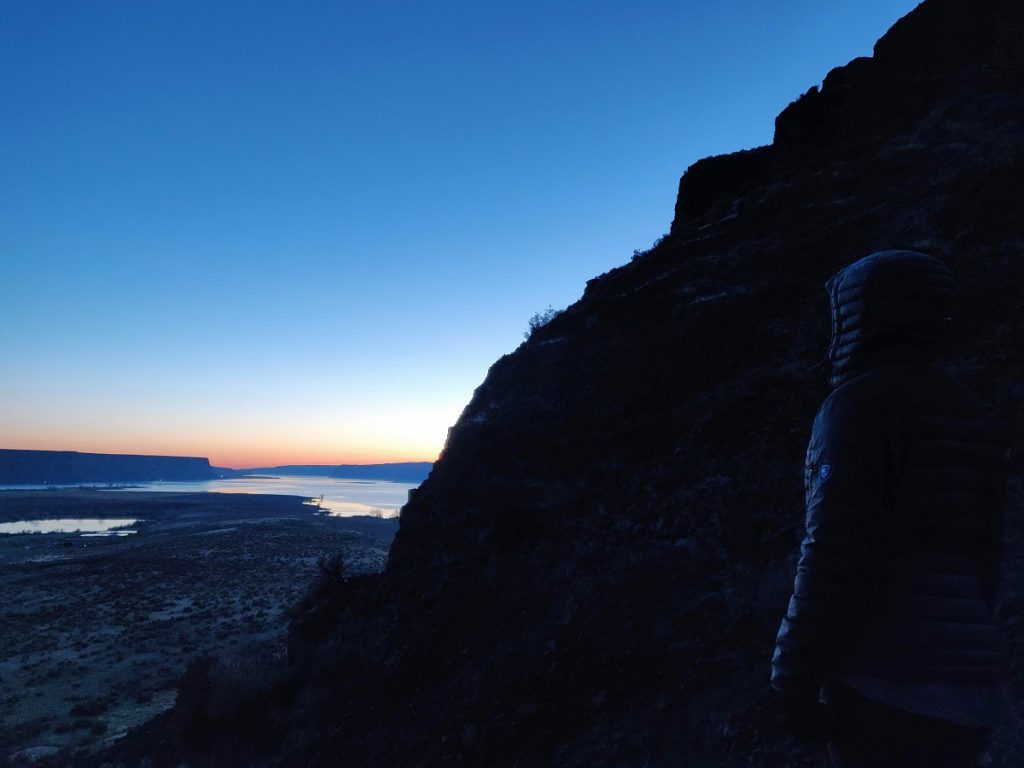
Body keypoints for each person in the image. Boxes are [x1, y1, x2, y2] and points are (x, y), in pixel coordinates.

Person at [770, 250, 1012, 767]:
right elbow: (988, 553)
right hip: (967, 682)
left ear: (859, 314)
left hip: (883, 678)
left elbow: (833, 544)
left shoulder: (857, 404)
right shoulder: (972, 410)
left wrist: (792, 675)